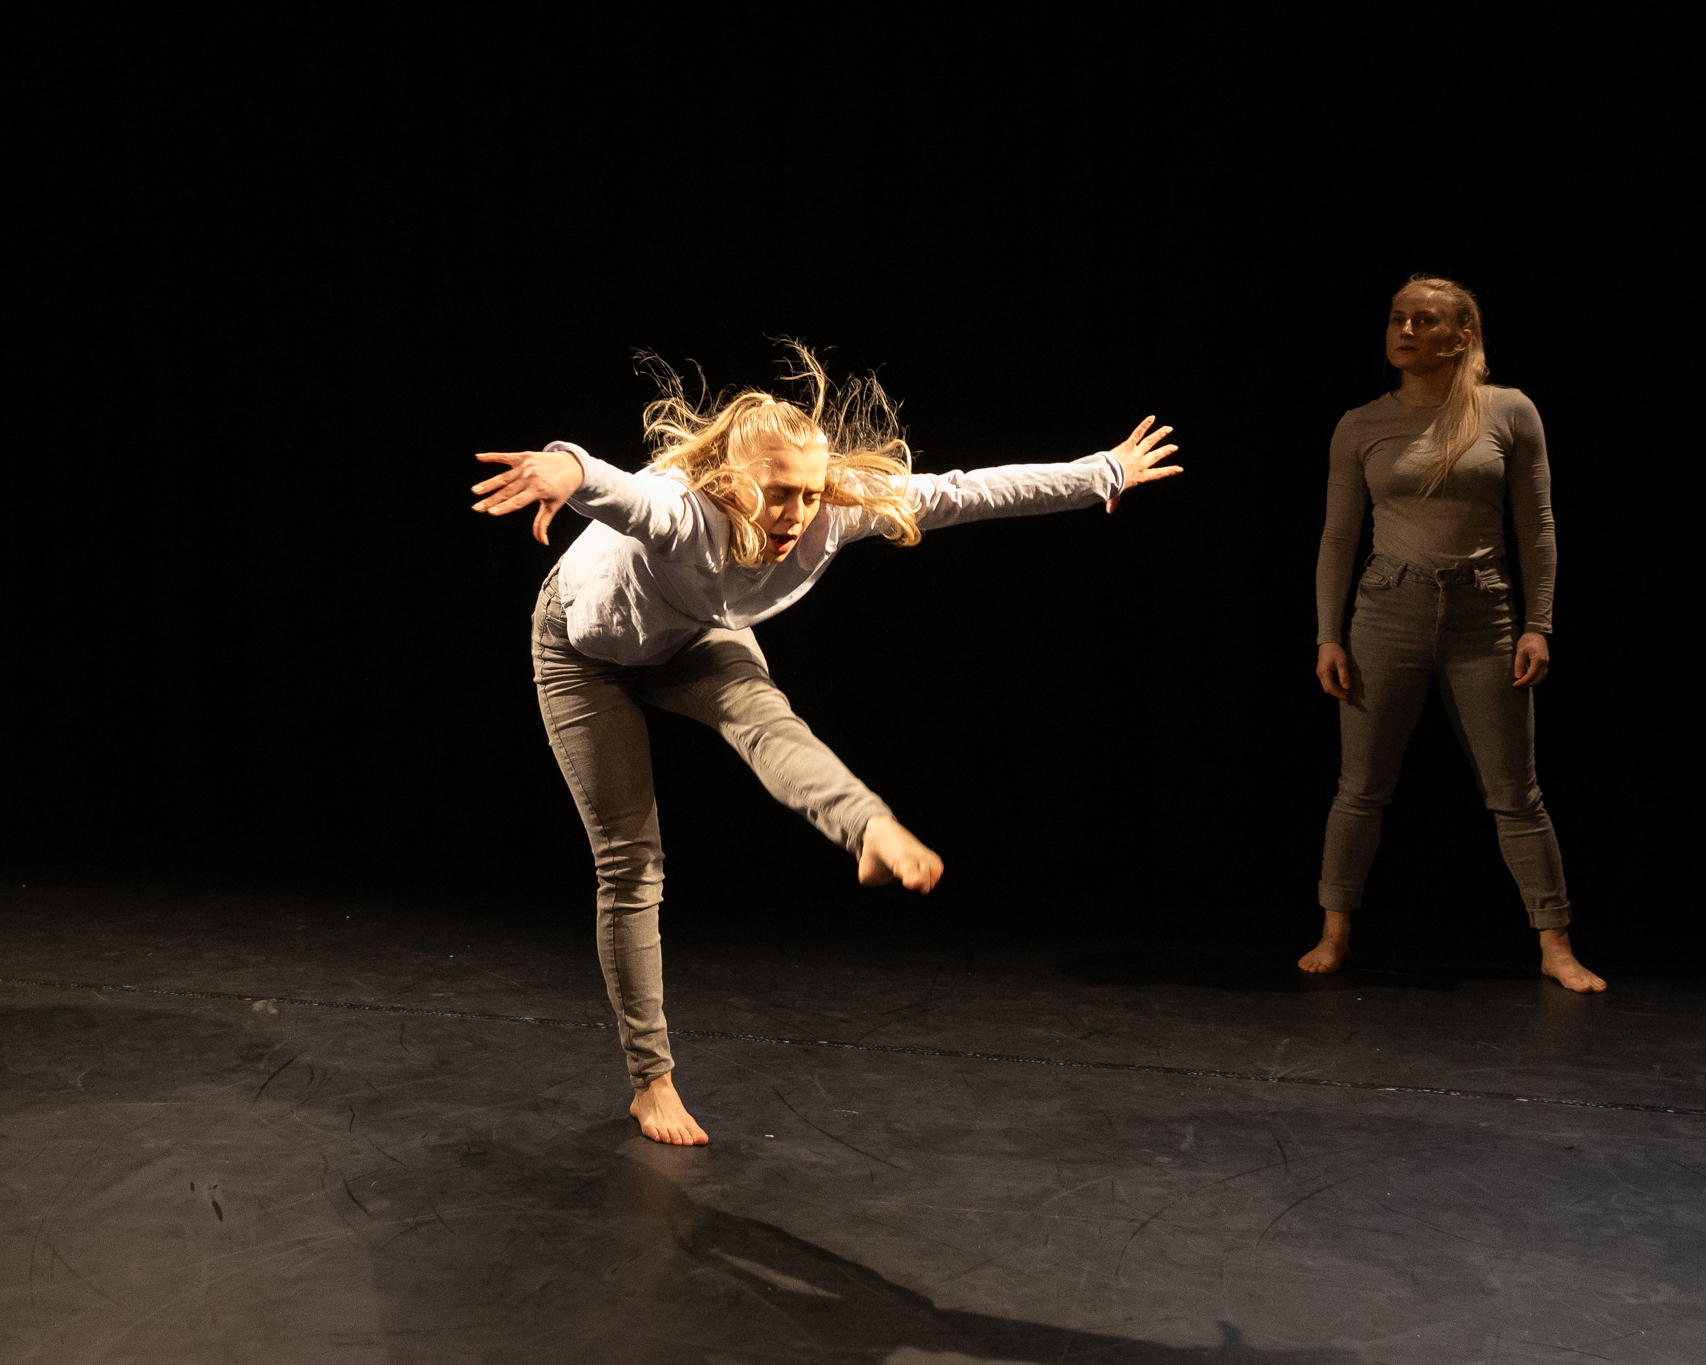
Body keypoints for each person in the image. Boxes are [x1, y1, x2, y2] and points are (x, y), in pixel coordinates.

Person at [470, 347, 1183, 1144]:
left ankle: (868, 827)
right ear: (733, 482)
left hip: (695, 638)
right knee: (631, 861)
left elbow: (966, 491)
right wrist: (565, 467)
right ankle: (652, 1081)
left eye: (810, 493)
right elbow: (615, 488)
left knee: (767, 720)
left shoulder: (834, 508)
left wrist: (1104, 472)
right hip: (584, 652)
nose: (796, 515)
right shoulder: (684, 509)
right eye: (779, 493)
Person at [1301, 277, 1604, 993]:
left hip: (1484, 613)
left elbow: (1536, 525)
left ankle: (1555, 943)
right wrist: (1327, 635)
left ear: (1461, 334)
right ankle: (1335, 931)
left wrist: (1538, 624)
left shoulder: (1509, 411)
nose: (1405, 330)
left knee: (1515, 792)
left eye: (1424, 320)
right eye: (1397, 318)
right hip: (1387, 609)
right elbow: (1338, 536)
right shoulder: (1361, 424)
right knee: (1360, 788)